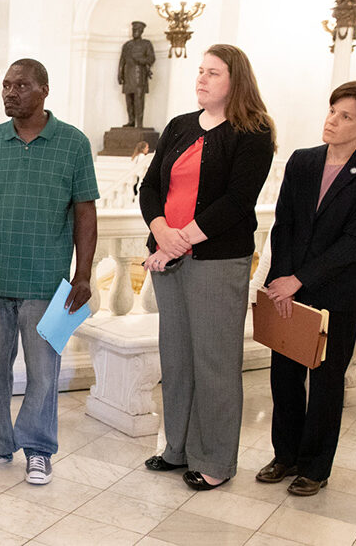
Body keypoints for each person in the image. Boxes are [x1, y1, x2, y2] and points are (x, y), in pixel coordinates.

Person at [0, 58, 98, 486]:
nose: (10, 92)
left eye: (21, 85)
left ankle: (38, 449)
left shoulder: (73, 143)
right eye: (6, 85)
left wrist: (84, 275)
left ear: (44, 91)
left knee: (43, 373)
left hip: (47, 285)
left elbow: (85, 214)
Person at [140, 44, 275, 491]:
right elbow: (151, 186)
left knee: (214, 362)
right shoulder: (179, 126)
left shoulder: (253, 132)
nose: (201, 79)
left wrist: (178, 241)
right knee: (176, 359)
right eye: (200, 71)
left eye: (212, 73)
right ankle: (176, 448)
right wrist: (161, 229)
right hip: (168, 256)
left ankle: (215, 459)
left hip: (216, 261)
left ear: (235, 81)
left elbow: (237, 202)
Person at [257, 81, 356, 496]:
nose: (332, 119)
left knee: (326, 382)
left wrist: (301, 278)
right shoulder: (302, 161)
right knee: (284, 376)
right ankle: (286, 454)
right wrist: (280, 282)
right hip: (289, 289)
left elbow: (353, 241)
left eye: (346, 116)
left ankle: (315, 467)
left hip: (337, 295)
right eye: (333, 110)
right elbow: (284, 227)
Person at [118, 20, 155, 129]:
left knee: (138, 101)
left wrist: (141, 60)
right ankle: (131, 121)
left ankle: (139, 123)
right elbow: (122, 61)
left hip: (140, 76)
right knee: (129, 100)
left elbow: (151, 59)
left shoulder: (146, 44)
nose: (135, 32)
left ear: (141, 31)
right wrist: (120, 74)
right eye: (133, 30)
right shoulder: (127, 45)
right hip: (128, 75)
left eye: (137, 30)